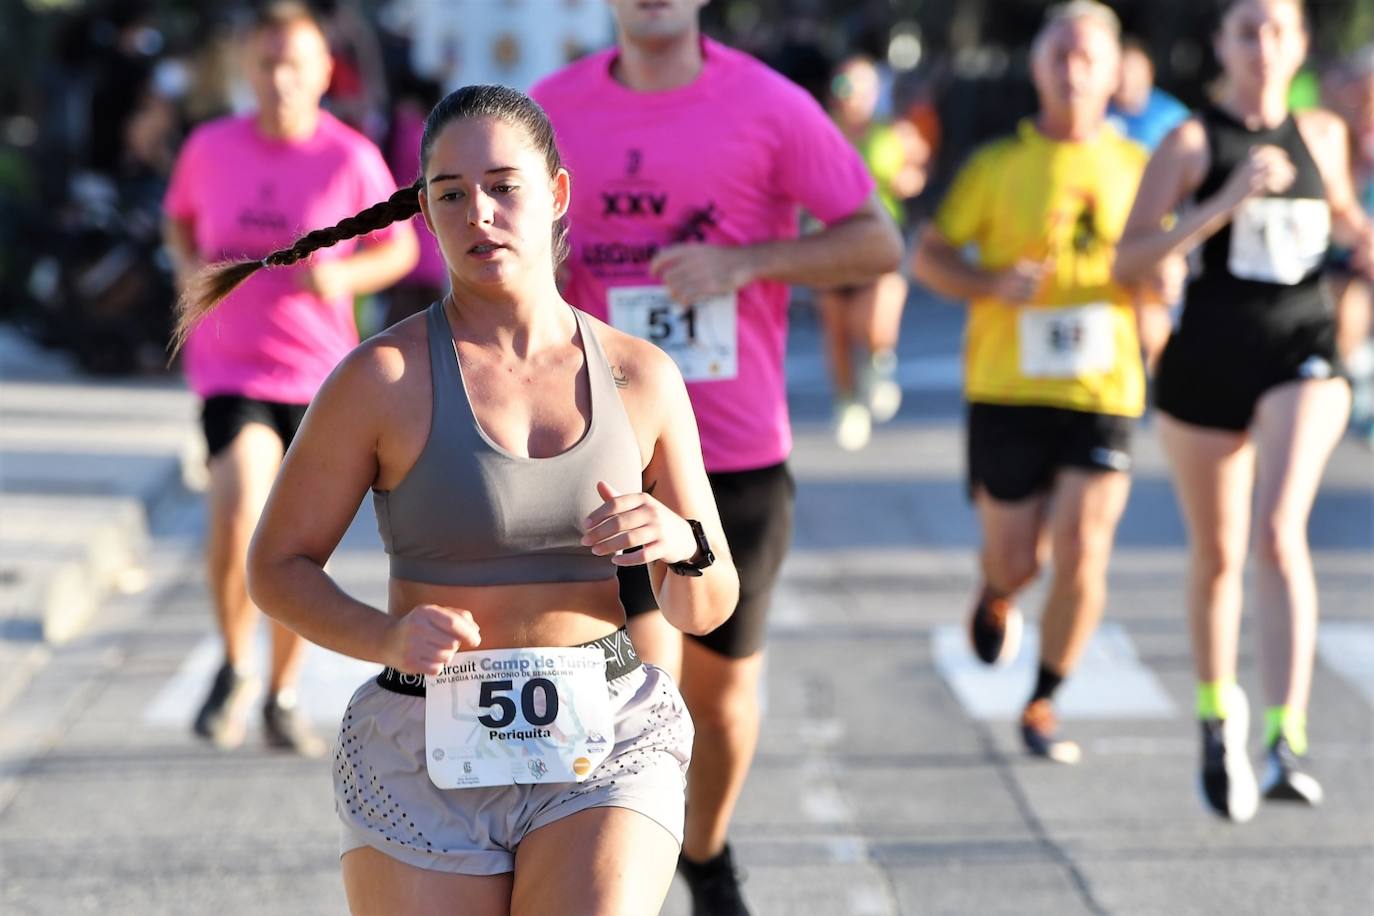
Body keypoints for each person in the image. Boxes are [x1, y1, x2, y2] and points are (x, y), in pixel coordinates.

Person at [172, 83, 741, 914]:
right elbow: (276, 569)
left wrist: (679, 539)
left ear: (556, 194)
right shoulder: (380, 380)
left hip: (604, 735)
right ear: (426, 213)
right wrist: (387, 635)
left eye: (504, 186)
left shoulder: (640, 376)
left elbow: (706, 605)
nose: (479, 212)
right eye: (450, 194)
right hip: (423, 741)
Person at [530, 2, 903, 911]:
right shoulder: (547, 109)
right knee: (638, 685)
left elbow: (876, 238)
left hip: (733, 453)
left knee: (723, 702)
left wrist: (750, 263)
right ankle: (617, 879)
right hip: (599, 450)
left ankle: (706, 848)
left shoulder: (771, 106)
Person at [1114, 0, 1374, 821]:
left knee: (1276, 529)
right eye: (1247, 31)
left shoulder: (1324, 137)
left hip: (1302, 349)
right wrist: (1219, 204)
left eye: (1278, 32)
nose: (1263, 47)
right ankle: (1215, 714)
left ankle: (1285, 735)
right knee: (1220, 554)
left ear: (1300, 46)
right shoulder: (1191, 143)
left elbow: (1342, 222)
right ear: (1223, 45)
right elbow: (1131, 257)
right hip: (1208, 362)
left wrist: (1359, 236)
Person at [912, 1, 1172, 765]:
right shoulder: (997, 165)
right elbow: (928, 256)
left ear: (1115, 69)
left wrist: (1157, 301)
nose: (1072, 67)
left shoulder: (1138, 167)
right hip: (1007, 387)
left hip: (1103, 389)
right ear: (1037, 67)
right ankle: (997, 592)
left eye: (1087, 54)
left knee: (1085, 548)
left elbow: (1162, 269)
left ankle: (1044, 699)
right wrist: (992, 280)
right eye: (1058, 53)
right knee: (1018, 558)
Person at [162, 2, 418, 755]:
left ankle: (278, 692)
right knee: (240, 502)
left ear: (320, 74)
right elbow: (178, 217)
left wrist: (343, 280)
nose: (280, 79)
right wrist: (185, 269)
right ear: (247, 68)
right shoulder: (209, 148)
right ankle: (236, 664)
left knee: (299, 549)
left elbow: (399, 251)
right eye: (268, 63)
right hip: (231, 369)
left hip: (319, 377)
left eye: (296, 65)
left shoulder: (347, 159)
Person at [820, 53, 929, 451]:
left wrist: (907, 179)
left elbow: (918, 170)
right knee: (837, 328)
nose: (851, 96)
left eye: (860, 87)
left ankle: (880, 365)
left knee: (874, 319)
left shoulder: (893, 133)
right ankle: (847, 401)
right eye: (843, 86)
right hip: (831, 244)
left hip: (881, 243)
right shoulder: (821, 131)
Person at [1108, 37, 1190, 152]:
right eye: (1120, 70)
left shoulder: (1173, 117)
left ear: (1150, 73)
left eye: (1134, 70)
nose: (1126, 79)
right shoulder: (1098, 112)